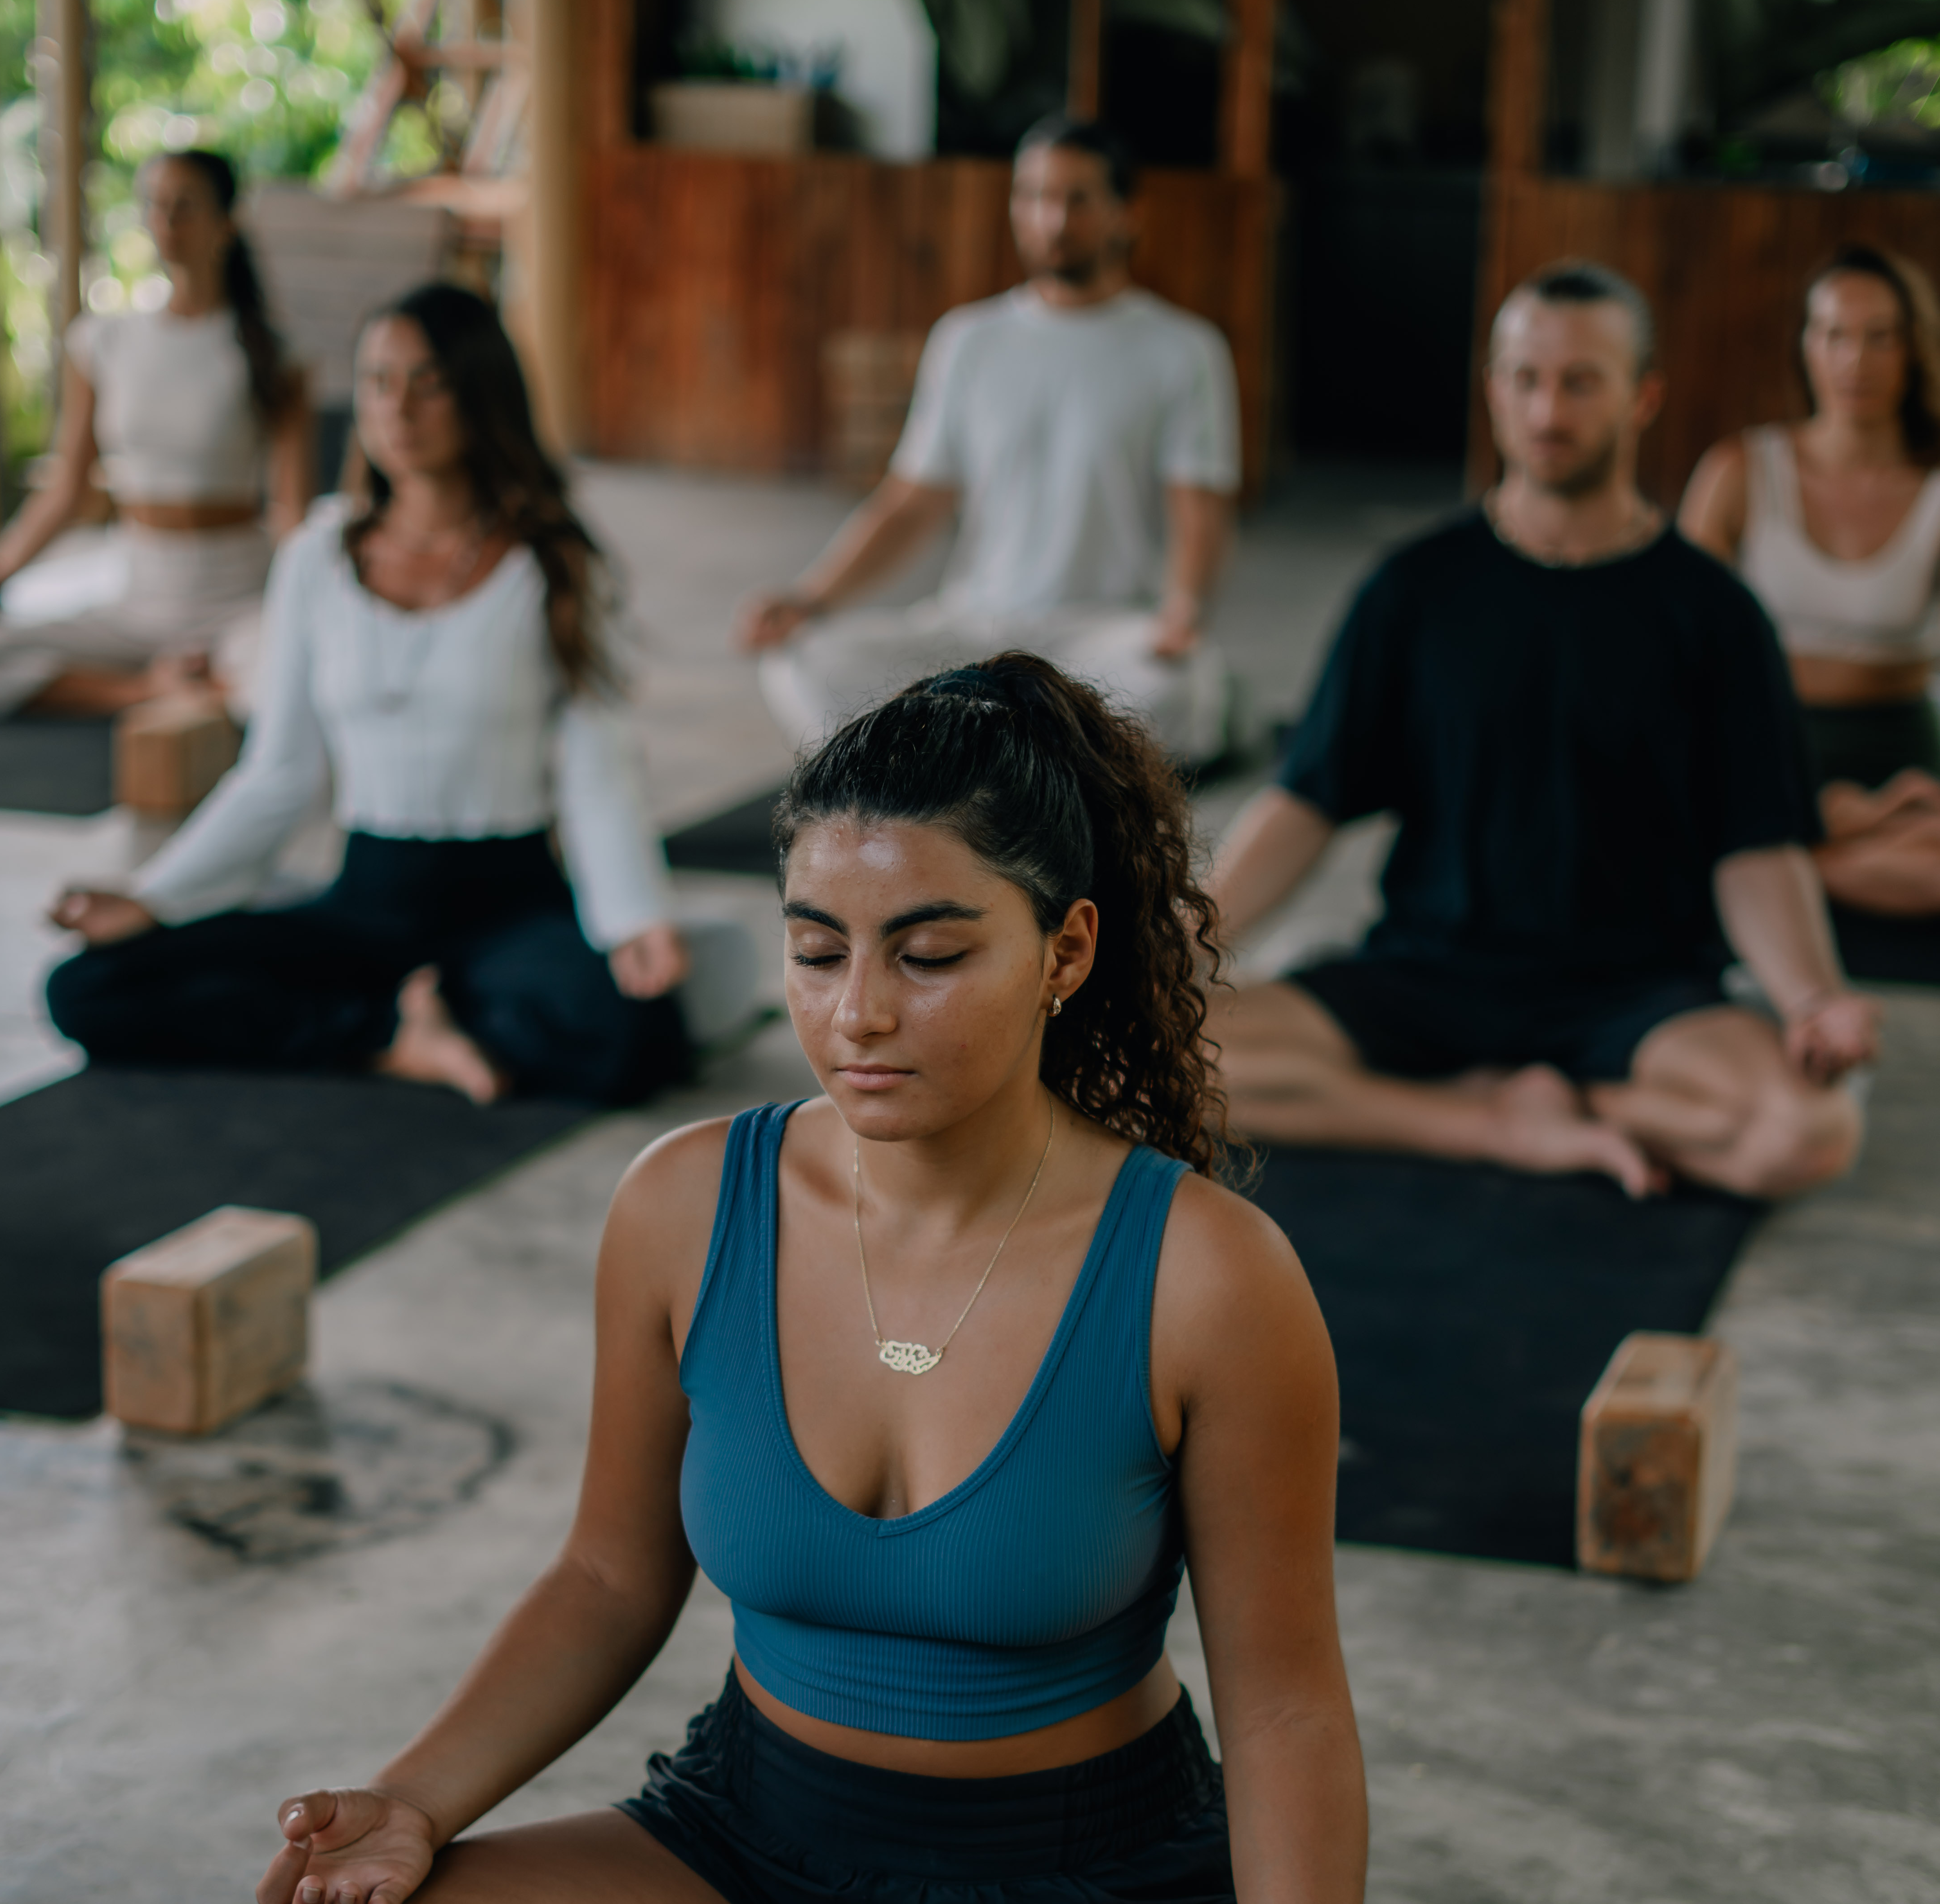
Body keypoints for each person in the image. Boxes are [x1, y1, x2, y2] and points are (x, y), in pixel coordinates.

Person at [166, 652, 1505, 1904]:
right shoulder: (680, 1206)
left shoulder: (1206, 1277)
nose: (858, 1012)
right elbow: (603, 1581)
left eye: (930, 952)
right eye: (815, 949)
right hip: (748, 1865)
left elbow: (1284, 1716)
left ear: (1068, 951)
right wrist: (417, 1800)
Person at [1206, 260, 1880, 1203]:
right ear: (1491, 390)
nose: (1545, 408)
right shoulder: (1413, 590)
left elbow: (1758, 847)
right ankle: (1485, 1122)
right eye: (1523, 379)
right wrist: (1183, 945)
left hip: (1634, 999)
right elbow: (1305, 802)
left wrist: (1810, 999)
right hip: (1429, 974)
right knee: (1150, 1056)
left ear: (1641, 396)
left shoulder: (1712, 613)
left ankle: (1564, 1105)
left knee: (1807, 1132)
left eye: (1579, 381)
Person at [44, 283, 692, 1110]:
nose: (399, 408)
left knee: (637, 1034)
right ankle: (392, 1038)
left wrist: (634, 917)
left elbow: (599, 769)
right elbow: (277, 776)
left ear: (480, 394)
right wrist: (154, 897)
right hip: (364, 904)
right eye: (379, 381)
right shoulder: (317, 555)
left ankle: (421, 1012)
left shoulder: (555, 561)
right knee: (89, 989)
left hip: (508, 906)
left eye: (430, 383)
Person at [735, 119, 1240, 766]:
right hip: (977, 627)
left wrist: (1184, 610)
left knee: (1177, 687)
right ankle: (1020, 761)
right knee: (804, 659)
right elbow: (912, 501)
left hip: (1104, 635)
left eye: (1077, 199)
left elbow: (1199, 506)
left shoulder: (1183, 350)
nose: (1051, 220)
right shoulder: (969, 340)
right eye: (1031, 196)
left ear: (1127, 213)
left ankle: (973, 760)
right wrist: (809, 597)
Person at [0, 151, 312, 721]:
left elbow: (290, 511)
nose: (167, 220)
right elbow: (66, 492)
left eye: (186, 206)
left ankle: (206, 682)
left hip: (240, 604)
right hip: (139, 603)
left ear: (227, 223)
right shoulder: (104, 341)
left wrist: (316, 606)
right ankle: (149, 691)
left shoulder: (274, 354)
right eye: (155, 205)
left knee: (292, 684)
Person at [1681, 243, 1940, 922]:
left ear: (1913, 349)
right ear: (1807, 346)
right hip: (1769, 739)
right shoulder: (1739, 470)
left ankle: (1782, 869)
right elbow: (1674, 642)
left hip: (1901, 757)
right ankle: (1815, 846)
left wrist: (1891, 806)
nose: (1856, 361)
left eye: (1881, 337)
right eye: (1835, 335)